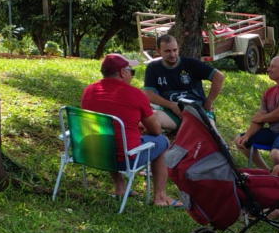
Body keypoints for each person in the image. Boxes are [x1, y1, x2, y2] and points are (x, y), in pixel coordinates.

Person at [80, 54, 179, 207]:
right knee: (163, 141)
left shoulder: (89, 91)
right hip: (124, 159)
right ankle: (160, 197)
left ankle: (120, 187)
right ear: (122, 72)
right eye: (131, 71)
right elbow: (155, 131)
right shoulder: (136, 94)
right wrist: (144, 128)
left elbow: (110, 118)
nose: (132, 76)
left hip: (93, 153)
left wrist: (133, 125)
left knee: (109, 138)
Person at [143, 34, 225, 130]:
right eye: (167, 51)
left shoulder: (191, 63)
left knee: (209, 130)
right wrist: (171, 105)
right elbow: (149, 94)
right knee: (152, 119)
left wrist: (209, 102)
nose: (172, 54)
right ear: (158, 51)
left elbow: (219, 76)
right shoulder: (153, 67)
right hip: (172, 113)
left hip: (197, 109)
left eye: (175, 50)